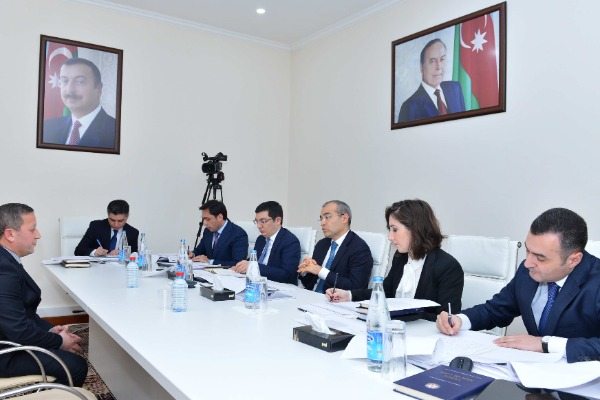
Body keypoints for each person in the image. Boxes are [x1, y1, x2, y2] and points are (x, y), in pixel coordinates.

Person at [436, 208, 600, 363]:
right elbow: (496, 309)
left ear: (573, 260)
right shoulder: (528, 271)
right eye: (528, 251)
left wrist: (545, 344)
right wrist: (460, 320)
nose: (528, 263)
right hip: (535, 370)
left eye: (540, 258)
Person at [328, 199, 463, 321]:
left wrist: (403, 314)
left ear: (416, 229)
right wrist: (348, 295)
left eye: (395, 230)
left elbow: (447, 318)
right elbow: (385, 292)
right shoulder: (400, 257)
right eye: (389, 229)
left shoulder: (447, 266)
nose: (390, 237)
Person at [0, 203, 88, 386]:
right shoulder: (4, 271)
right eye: (32, 229)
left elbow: (22, 312)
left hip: (8, 337)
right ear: (10, 234)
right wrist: (59, 341)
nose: (38, 235)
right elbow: (18, 330)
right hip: (5, 353)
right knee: (76, 366)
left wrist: (48, 330)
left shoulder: (6, 260)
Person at [298, 200, 372, 293]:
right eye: (321, 218)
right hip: (312, 296)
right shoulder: (322, 244)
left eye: (327, 217)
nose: (322, 223)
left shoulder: (359, 248)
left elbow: (356, 287)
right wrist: (305, 272)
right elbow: (310, 284)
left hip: (334, 299)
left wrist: (320, 271)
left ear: (344, 218)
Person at [43, 57, 116, 149]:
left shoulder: (116, 131)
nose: (70, 89)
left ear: (98, 88)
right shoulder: (48, 127)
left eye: (80, 82)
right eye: (65, 81)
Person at [397, 38, 465, 123]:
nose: (439, 67)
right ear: (421, 67)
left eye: (442, 59)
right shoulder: (409, 107)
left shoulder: (455, 88)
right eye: (432, 61)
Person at [232, 201, 300, 284]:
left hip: (280, 286)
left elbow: (287, 275)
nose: (258, 226)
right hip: (258, 283)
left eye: (263, 221)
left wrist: (253, 266)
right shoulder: (261, 239)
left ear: (278, 220)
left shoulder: (290, 242)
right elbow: (254, 260)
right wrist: (241, 266)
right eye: (257, 221)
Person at [189, 200, 248, 267]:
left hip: (227, 272)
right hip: (206, 272)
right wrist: (193, 254)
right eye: (203, 219)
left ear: (220, 217)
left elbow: (238, 263)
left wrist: (210, 261)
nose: (204, 223)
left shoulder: (238, 234)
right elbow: (200, 250)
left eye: (208, 219)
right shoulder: (207, 231)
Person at [74, 199, 139, 256]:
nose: (116, 224)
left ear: (127, 217)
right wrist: (95, 252)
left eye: (120, 221)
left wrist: (123, 254)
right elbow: (78, 251)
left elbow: (134, 255)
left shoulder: (133, 233)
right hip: (99, 265)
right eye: (112, 220)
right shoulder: (96, 226)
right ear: (108, 215)